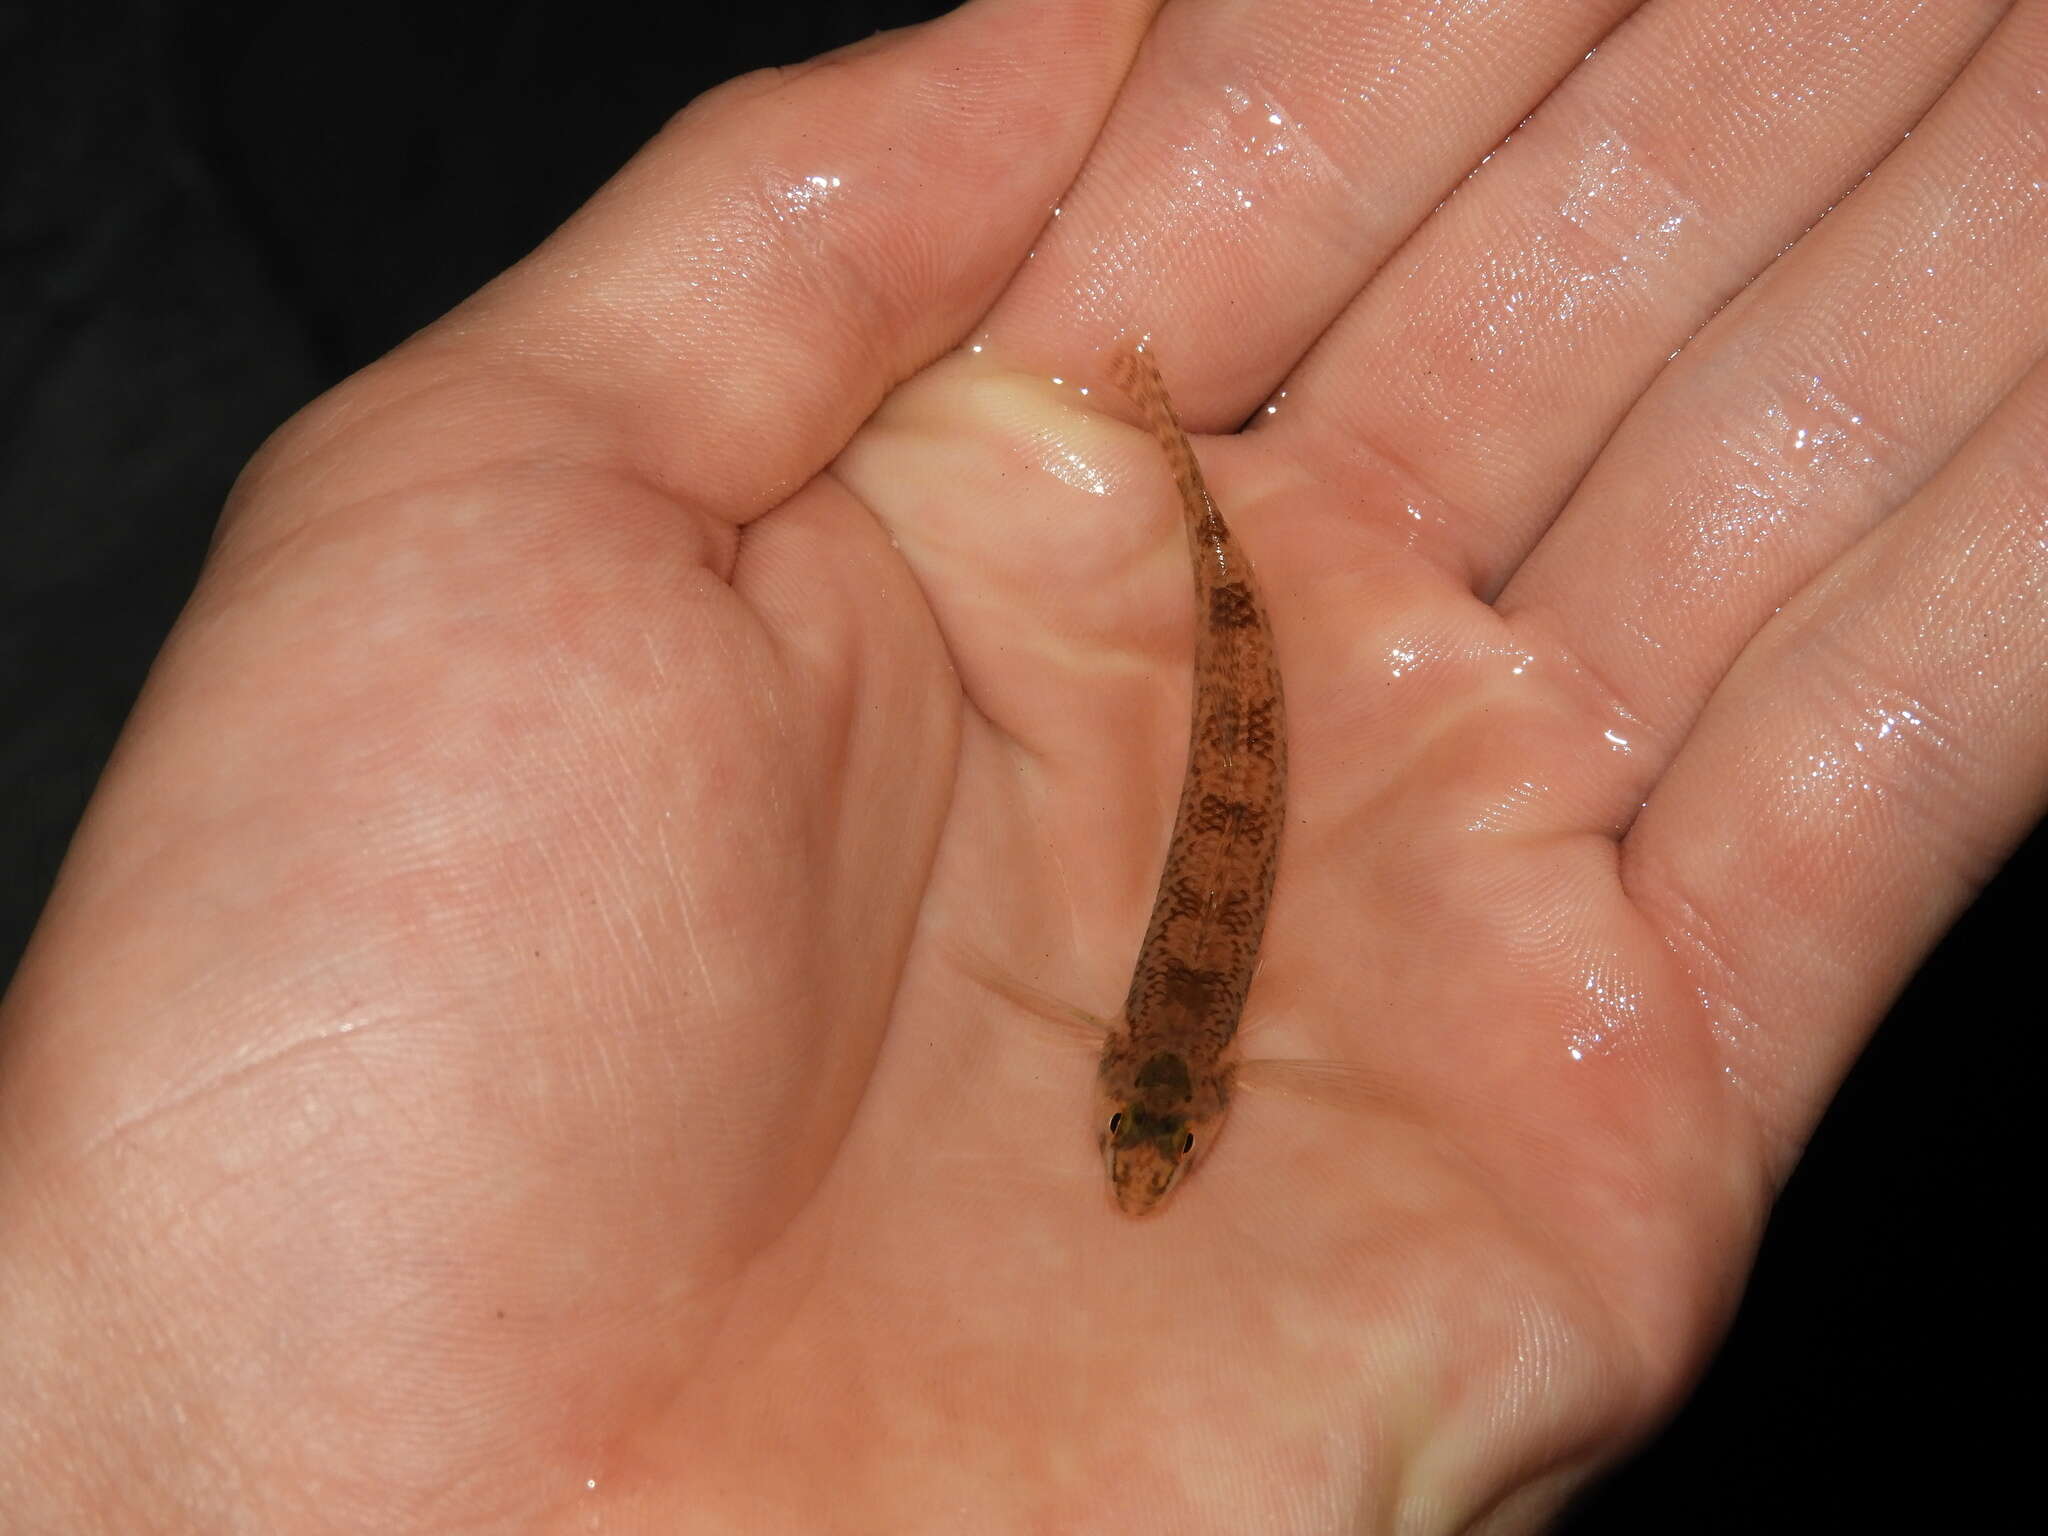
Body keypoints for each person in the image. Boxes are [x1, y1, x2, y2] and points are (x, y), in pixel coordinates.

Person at [2, 0, 2040, 1527]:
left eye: (1141, 1143)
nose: (1142, 1160)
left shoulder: (1176, 1034)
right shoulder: (1173, 1043)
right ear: (1176, 1081)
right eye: (1152, 1142)